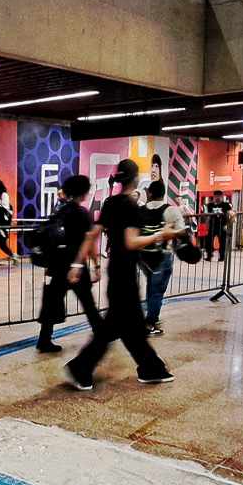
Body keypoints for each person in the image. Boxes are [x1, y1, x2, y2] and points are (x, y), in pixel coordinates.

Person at [64, 159, 177, 391]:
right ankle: (81, 367)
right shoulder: (131, 206)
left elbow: (91, 235)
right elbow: (131, 241)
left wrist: (77, 265)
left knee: (130, 326)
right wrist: (160, 236)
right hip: (125, 275)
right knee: (114, 327)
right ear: (136, 179)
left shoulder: (110, 203)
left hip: (115, 272)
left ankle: (150, 368)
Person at [35, 174, 104, 354]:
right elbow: (89, 242)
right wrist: (96, 266)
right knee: (88, 303)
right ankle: (101, 333)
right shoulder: (81, 214)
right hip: (76, 266)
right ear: (83, 193)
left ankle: (44, 340)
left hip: (57, 266)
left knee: (51, 302)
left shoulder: (60, 211)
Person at [140, 179, 185, 336]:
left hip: (144, 255)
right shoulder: (171, 210)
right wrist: (168, 232)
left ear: (150, 193)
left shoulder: (141, 209)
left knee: (151, 286)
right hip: (162, 255)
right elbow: (181, 231)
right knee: (158, 290)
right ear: (164, 193)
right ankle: (150, 322)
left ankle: (151, 317)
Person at [205, 190, 230, 261]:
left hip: (222, 226)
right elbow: (208, 216)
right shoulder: (210, 205)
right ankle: (209, 256)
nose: (217, 198)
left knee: (222, 242)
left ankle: (222, 256)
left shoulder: (226, 205)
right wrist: (207, 225)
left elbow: (230, 215)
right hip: (212, 225)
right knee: (209, 241)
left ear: (222, 197)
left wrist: (227, 224)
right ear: (214, 197)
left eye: (219, 196)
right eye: (216, 196)